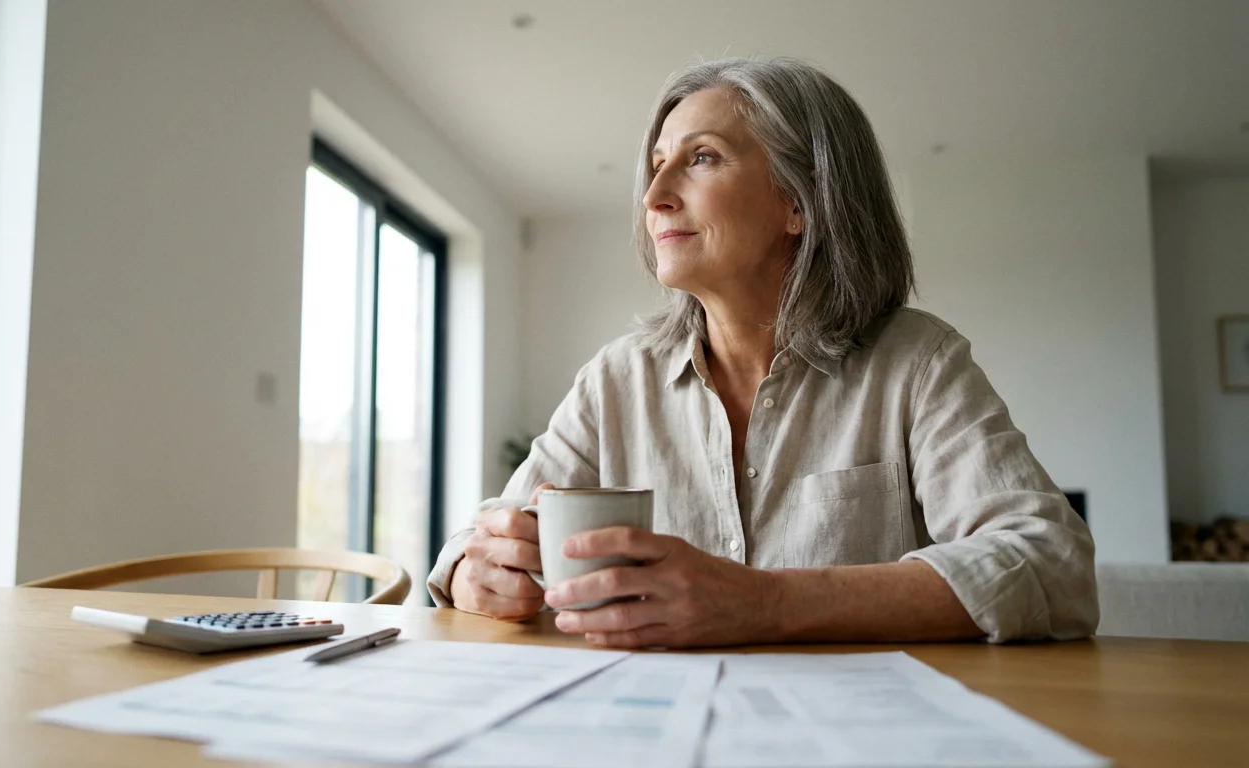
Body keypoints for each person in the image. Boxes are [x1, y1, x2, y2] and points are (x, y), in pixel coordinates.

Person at [426, 57, 1099, 648]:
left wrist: (766, 603)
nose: (655, 198)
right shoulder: (615, 381)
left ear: (799, 200)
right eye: (657, 165)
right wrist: (473, 569)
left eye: (702, 157)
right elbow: (484, 538)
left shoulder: (917, 362)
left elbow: (1051, 565)